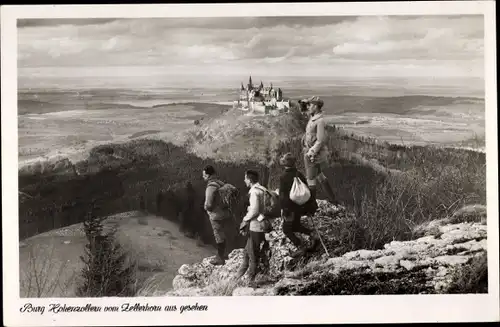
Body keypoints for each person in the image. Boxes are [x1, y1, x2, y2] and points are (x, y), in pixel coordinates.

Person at [279, 153, 320, 257]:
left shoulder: (283, 176)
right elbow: (306, 189)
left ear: (285, 163)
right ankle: (313, 234)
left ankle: (301, 247)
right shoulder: (298, 173)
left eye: (283, 160)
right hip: (300, 206)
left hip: (290, 208)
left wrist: (284, 209)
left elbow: (283, 196)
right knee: (296, 226)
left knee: (286, 229)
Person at [300, 96, 339, 205]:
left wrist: (311, 153)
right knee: (320, 176)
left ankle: (311, 205)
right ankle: (333, 199)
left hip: (313, 154)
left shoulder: (320, 121)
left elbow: (320, 140)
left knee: (310, 178)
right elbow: (303, 110)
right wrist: (303, 103)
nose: (309, 107)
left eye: (311, 105)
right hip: (310, 151)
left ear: (316, 107)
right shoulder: (313, 117)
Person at [235, 170, 271, 285]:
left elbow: (254, 210)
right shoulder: (264, 189)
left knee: (253, 254)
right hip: (264, 224)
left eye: (245, 178)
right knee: (247, 252)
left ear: (249, 180)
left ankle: (250, 280)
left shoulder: (255, 192)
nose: (244, 180)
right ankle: (236, 278)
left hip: (255, 227)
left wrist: (245, 219)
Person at [202, 165, 232, 265]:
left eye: (204, 175)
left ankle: (220, 257)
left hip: (216, 215)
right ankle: (225, 254)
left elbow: (209, 204)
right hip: (226, 213)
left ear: (207, 175)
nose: (203, 177)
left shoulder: (210, 186)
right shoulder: (221, 183)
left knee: (218, 234)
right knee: (224, 233)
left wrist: (205, 207)